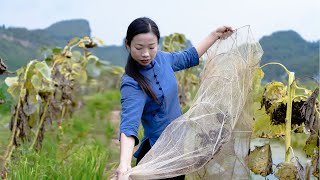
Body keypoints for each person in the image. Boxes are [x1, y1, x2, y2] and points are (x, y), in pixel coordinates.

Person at [114, 17, 233, 180]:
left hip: (177, 152)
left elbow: (189, 56)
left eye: (151, 47)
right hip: (156, 156)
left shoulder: (163, 59)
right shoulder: (131, 82)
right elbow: (129, 124)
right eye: (139, 48)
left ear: (158, 43)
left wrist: (215, 35)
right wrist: (124, 164)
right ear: (128, 45)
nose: (146, 54)